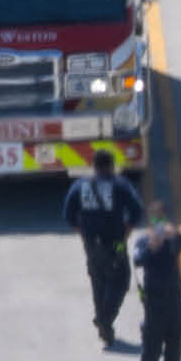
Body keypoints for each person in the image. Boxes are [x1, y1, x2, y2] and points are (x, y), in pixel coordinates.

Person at [60, 148, 145, 345]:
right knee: (120, 280)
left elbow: (68, 214)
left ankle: (103, 326)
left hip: (91, 244)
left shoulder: (80, 185)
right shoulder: (120, 185)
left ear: (93, 165)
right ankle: (105, 319)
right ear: (111, 165)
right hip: (115, 242)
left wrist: (83, 234)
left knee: (98, 282)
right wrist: (126, 234)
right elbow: (136, 211)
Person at [132, 218, 181, 361]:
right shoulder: (143, 242)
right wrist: (152, 246)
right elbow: (137, 260)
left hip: (175, 301)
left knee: (175, 346)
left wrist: (175, 233)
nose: (159, 232)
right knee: (151, 348)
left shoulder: (173, 241)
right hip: (155, 304)